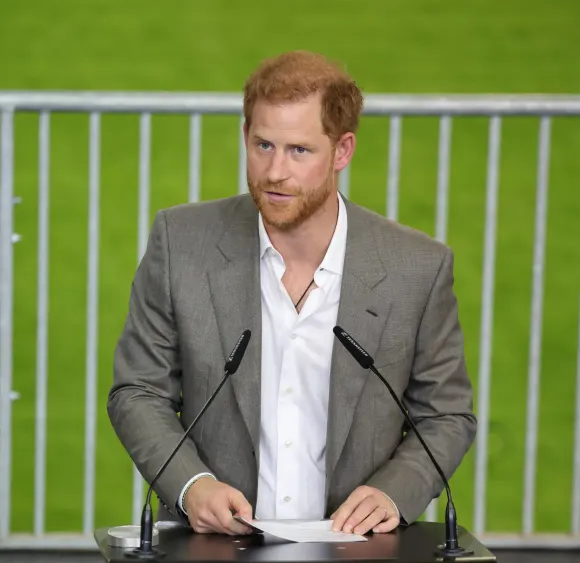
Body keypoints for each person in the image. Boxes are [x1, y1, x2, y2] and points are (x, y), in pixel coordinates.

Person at [108, 50, 476, 538]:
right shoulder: (180, 242)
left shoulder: (418, 267)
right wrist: (191, 484)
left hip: (354, 558)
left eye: (299, 151)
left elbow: (446, 413)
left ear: (342, 151)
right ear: (245, 136)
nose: (275, 171)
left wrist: (395, 489)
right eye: (263, 145)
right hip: (217, 551)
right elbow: (139, 391)